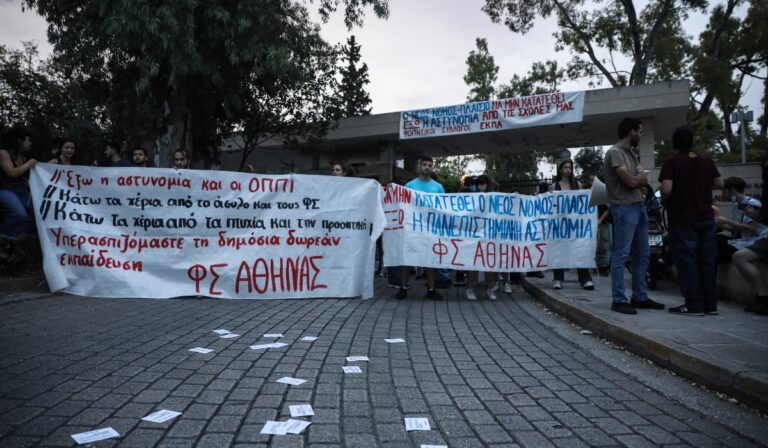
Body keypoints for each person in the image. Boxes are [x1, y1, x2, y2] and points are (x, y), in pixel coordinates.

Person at [659, 125, 723, 316]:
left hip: (682, 218)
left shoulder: (671, 161)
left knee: (687, 262)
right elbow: (720, 183)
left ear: (674, 142)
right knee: (707, 261)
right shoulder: (704, 159)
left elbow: (667, 189)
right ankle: (710, 305)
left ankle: (694, 305)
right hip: (706, 217)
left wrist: (663, 196)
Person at [603, 117, 665, 314]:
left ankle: (639, 296)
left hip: (638, 207)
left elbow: (640, 180)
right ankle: (619, 299)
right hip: (624, 208)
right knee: (621, 254)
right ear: (631, 131)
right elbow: (631, 181)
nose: (640, 134)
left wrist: (640, 181)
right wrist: (640, 179)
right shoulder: (614, 153)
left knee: (643, 252)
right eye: (639, 131)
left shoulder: (631, 153)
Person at [396, 156, 444, 301]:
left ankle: (431, 289)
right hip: (412, 228)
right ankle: (403, 288)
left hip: (430, 229)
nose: (427, 167)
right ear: (419, 167)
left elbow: (443, 208)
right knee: (408, 258)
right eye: (424, 164)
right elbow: (403, 206)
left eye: (430, 165)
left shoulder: (438, 187)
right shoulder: (410, 186)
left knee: (430, 260)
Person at [551, 159, 595, 291]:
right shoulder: (554, 186)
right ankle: (558, 279)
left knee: (579, 249)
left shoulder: (578, 185)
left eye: (570, 167)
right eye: (565, 167)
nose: (568, 170)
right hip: (560, 225)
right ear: (560, 170)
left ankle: (585, 279)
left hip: (575, 225)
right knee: (559, 251)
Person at [732, 158, 768, 315]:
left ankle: (763, 298)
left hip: (757, 239)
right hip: (748, 239)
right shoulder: (739, 205)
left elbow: (755, 227)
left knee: (739, 257)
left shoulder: (752, 202)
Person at [462, 174, 498, 300]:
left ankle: (489, 289)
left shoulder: (493, 198)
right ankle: (470, 288)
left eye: (482, 184)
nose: (480, 186)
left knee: (489, 265)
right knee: (473, 264)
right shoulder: (472, 198)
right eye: (478, 184)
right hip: (474, 235)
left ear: (487, 185)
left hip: (489, 235)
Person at [715, 177, 765, 262]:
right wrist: (718, 223)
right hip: (740, 240)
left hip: (753, 242)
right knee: (714, 239)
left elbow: (752, 228)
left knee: (717, 250)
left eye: (724, 191)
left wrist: (726, 221)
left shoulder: (751, 204)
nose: (723, 194)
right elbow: (733, 228)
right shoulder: (737, 205)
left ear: (732, 190)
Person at [0, 126, 37, 239]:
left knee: (41, 211)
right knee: (20, 214)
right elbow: (12, 173)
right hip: (5, 190)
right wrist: (29, 164)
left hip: (20, 190)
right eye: (28, 140)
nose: (30, 143)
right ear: (19, 140)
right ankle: (5, 238)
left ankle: (24, 236)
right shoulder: (3, 153)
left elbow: (23, 179)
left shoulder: (23, 157)